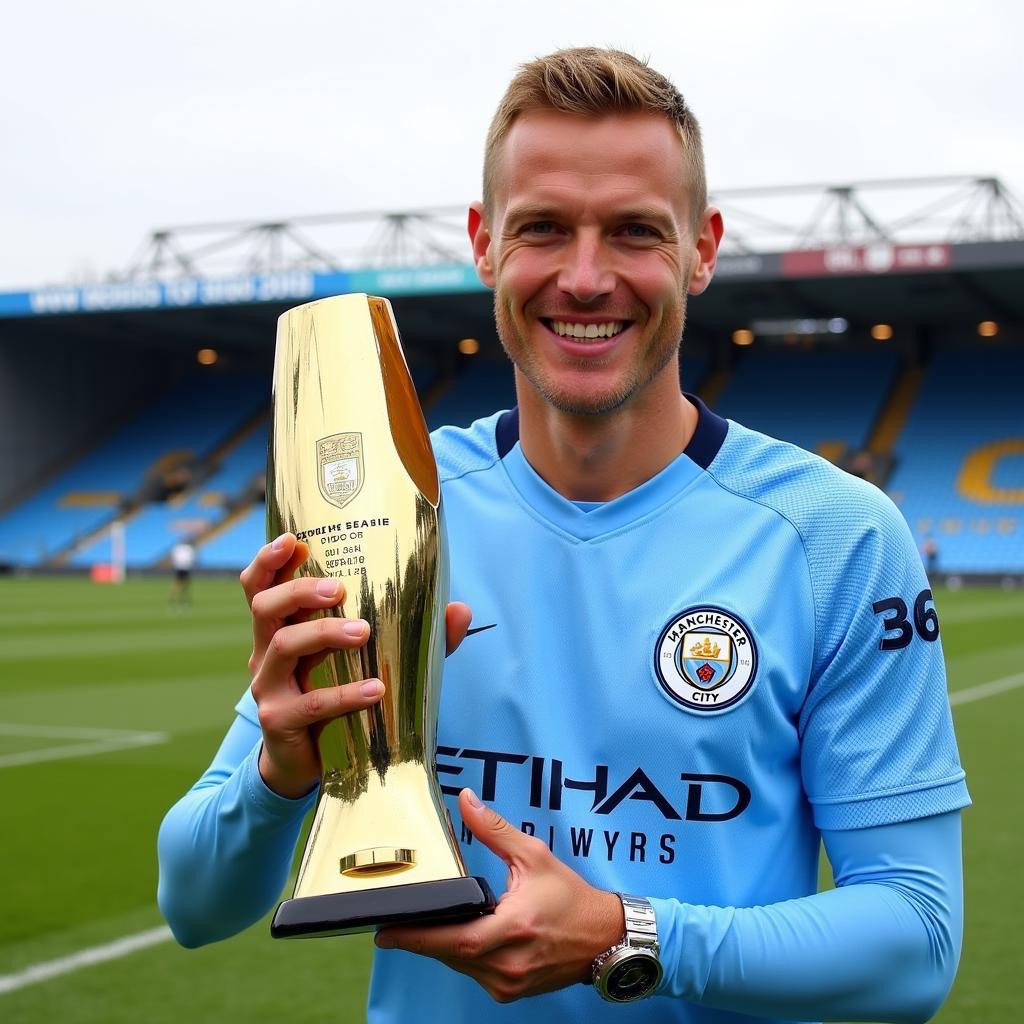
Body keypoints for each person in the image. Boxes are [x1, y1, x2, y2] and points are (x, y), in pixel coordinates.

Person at [158, 48, 969, 1023]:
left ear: (702, 249)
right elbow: (194, 905)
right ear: (484, 242)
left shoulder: (834, 538)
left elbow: (917, 941)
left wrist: (627, 933)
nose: (586, 279)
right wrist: (279, 774)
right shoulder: (384, 509)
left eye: (634, 231)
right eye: (543, 228)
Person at [168, 539, 196, 606]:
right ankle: (176, 596)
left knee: (181, 582)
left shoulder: (178, 548)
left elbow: (173, 557)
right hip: (184, 567)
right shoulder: (188, 549)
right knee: (182, 583)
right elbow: (192, 558)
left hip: (180, 567)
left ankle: (177, 596)